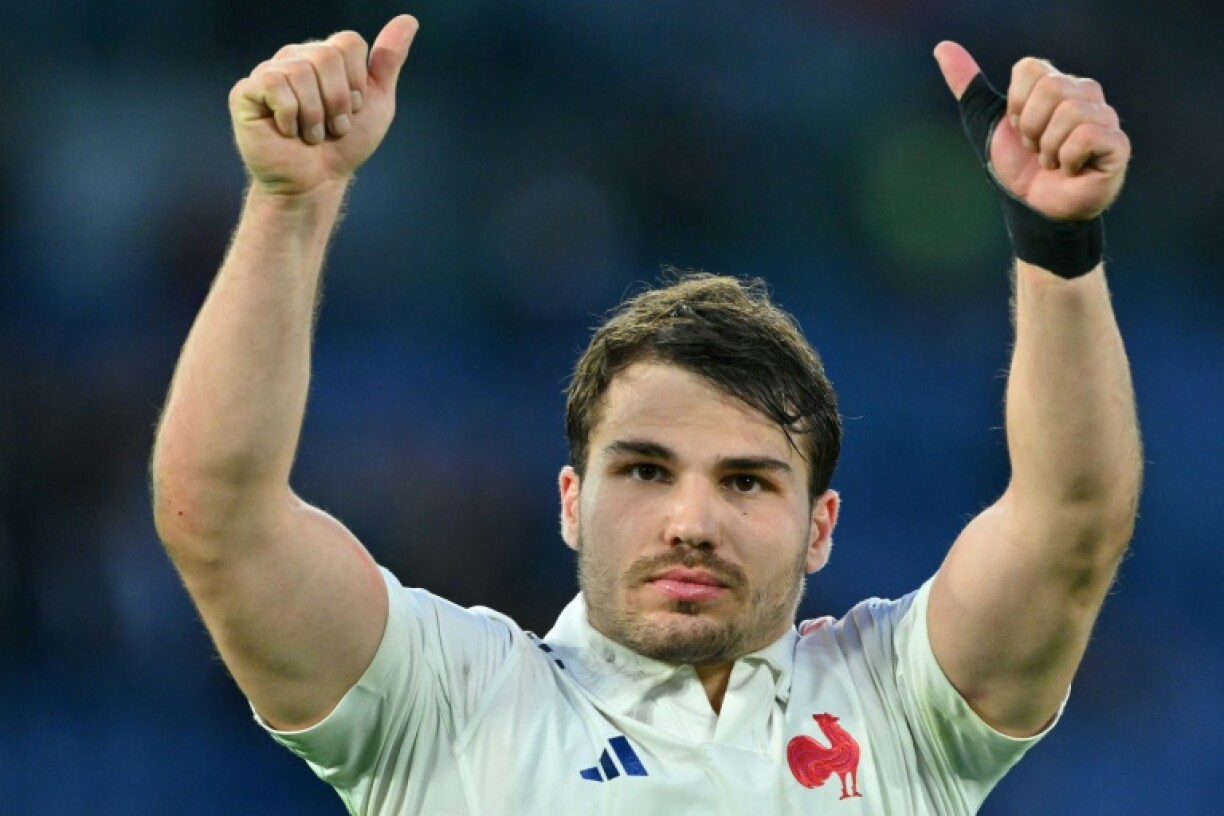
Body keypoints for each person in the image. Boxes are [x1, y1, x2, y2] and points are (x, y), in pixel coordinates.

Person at [150, 14, 1140, 815]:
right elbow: (220, 517)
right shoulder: (448, 702)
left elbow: (1072, 524)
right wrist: (287, 206)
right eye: (645, 470)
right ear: (572, 501)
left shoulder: (895, 707)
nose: (691, 521)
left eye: (747, 480)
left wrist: (1057, 245)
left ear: (820, 528)